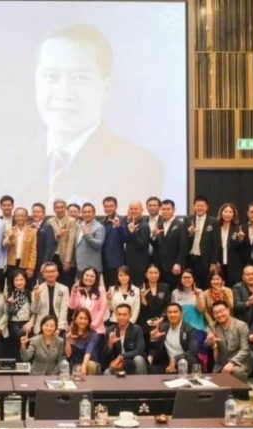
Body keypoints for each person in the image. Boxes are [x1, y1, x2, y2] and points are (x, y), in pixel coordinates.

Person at [13, 24, 163, 207]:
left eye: (79, 78)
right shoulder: (2, 168)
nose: (63, 93)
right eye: (51, 76)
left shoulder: (138, 166)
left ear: (106, 88)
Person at [206, 301, 253, 381]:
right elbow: (207, 344)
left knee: (236, 371)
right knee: (213, 382)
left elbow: (245, 349)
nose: (219, 315)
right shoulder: (212, 326)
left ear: (228, 310)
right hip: (221, 362)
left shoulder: (241, 326)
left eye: (221, 311)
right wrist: (210, 342)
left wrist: (232, 362)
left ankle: (242, 388)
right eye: (216, 313)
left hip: (240, 362)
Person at [148, 303, 200, 374]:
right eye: (170, 312)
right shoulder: (164, 328)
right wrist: (154, 340)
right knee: (151, 369)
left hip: (184, 363)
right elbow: (156, 349)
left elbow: (193, 350)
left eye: (175, 312)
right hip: (168, 364)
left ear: (181, 314)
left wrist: (176, 359)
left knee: (191, 360)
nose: (172, 315)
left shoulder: (189, 330)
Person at [151, 200, 187, 290]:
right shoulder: (159, 224)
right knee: (162, 291)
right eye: (163, 209)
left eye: (168, 209)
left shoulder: (180, 224)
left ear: (173, 210)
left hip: (174, 265)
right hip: (160, 265)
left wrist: (178, 263)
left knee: (174, 290)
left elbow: (183, 245)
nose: (165, 211)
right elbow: (155, 245)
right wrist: (154, 236)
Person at [186, 195, 219, 290]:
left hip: (205, 259)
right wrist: (190, 234)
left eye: (202, 206)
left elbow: (216, 243)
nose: (200, 208)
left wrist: (213, 262)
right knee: (191, 284)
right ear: (194, 206)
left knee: (205, 284)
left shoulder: (213, 221)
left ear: (207, 207)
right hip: (190, 258)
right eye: (197, 205)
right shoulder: (188, 220)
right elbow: (184, 241)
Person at [27, 262, 70, 334]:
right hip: (42, 324)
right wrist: (36, 297)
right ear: (43, 275)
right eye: (47, 272)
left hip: (58, 323)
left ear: (57, 273)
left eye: (53, 271)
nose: (51, 274)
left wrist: (59, 329)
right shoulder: (37, 289)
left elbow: (64, 310)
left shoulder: (64, 289)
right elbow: (34, 310)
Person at [104, 303, 146, 374]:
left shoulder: (137, 329)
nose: (121, 317)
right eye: (119, 314)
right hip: (118, 363)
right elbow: (106, 355)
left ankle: (141, 381)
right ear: (116, 315)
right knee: (107, 373)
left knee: (139, 359)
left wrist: (122, 356)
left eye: (124, 315)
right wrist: (110, 344)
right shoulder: (110, 330)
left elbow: (140, 350)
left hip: (132, 362)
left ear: (130, 315)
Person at [215, 202, 248, 286]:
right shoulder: (216, 227)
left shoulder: (238, 228)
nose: (227, 214)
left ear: (233, 215)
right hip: (219, 264)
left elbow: (242, 250)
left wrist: (241, 240)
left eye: (230, 212)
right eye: (225, 211)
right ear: (221, 213)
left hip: (233, 265)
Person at [68, 267, 108, 335]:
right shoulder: (78, 289)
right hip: (80, 326)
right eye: (87, 275)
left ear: (96, 279)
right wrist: (73, 293)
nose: (89, 278)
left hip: (96, 328)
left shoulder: (101, 290)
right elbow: (72, 306)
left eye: (92, 276)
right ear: (82, 276)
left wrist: (93, 325)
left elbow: (102, 310)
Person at [4, 207, 38, 286]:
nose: (20, 218)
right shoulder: (10, 230)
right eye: (18, 216)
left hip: (26, 264)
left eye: (22, 216)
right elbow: (5, 245)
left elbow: (33, 251)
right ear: (14, 217)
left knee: (27, 287)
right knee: (11, 287)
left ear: (26, 217)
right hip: (12, 264)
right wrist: (10, 238)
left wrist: (31, 267)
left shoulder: (32, 232)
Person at [48, 199, 76, 287]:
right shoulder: (50, 221)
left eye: (62, 207)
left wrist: (67, 260)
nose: (60, 209)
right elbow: (49, 238)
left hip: (66, 257)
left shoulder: (71, 220)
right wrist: (57, 235)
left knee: (67, 284)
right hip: (53, 256)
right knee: (54, 283)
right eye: (57, 208)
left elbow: (71, 241)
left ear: (65, 208)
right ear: (54, 209)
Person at [65, 308, 101, 375]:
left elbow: (89, 351)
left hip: (90, 363)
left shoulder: (93, 334)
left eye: (85, 319)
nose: (83, 321)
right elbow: (68, 354)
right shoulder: (70, 332)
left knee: (90, 365)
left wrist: (84, 365)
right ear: (75, 320)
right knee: (77, 369)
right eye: (80, 318)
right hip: (75, 364)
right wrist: (68, 340)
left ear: (88, 321)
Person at [100, 196, 126, 287]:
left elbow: (126, 238)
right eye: (106, 206)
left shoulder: (123, 220)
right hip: (103, 261)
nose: (108, 208)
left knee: (116, 288)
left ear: (116, 206)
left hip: (116, 262)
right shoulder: (101, 222)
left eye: (111, 206)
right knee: (107, 288)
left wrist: (119, 227)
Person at [74, 203, 105, 277]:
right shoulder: (80, 225)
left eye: (89, 212)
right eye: (84, 212)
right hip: (80, 266)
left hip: (92, 268)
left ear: (94, 213)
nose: (87, 214)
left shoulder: (99, 227)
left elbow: (98, 245)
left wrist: (87, 236)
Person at [31, 202, 56, 278]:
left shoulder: (47, 227)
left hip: (41, 263)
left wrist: (45, 264)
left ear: (44, 214)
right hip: (31, 264)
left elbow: (49, 248)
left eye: (38, 212)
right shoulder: (29, 226)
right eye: (34, 212)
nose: (35, 214)